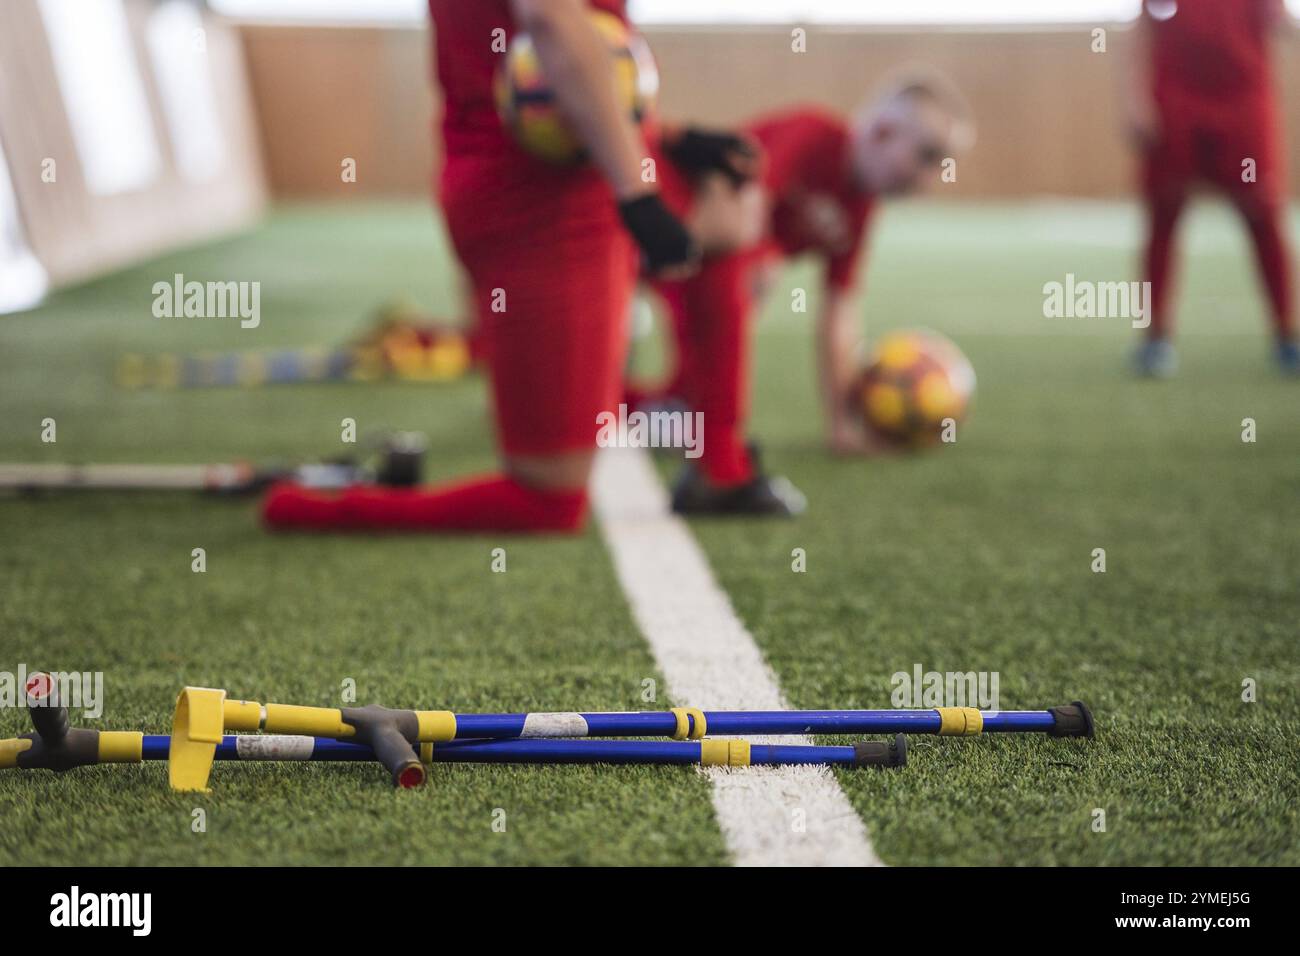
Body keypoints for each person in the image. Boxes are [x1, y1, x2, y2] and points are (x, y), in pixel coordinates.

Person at [263, 0, 702, 533]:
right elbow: (551, 22)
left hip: (536, 173)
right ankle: (314, 508)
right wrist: (637, 190)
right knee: (549, 496)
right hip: (546, 195)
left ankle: (717, 457)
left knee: (730, 206)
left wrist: (668, 138)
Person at [639, 77, 974, 515]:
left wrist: (841, 424)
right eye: (927, 157)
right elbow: (753, 196)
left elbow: (839, 310)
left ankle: (624, 409)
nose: (929, 178)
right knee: (690, 391)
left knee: (682, 400)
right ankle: (680, 439)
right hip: (671, 233)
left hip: (707, 272)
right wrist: (764, 256)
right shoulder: (813, 131)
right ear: (883, 131)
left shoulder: (860, 207)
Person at [1127, 0, 1298, 376]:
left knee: (1264, 215)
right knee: (1164, 215)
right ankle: (1155, 339)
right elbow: (1141, 24)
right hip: (1175, 99)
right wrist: (1134, 100)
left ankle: (1287, 335)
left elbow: (1283, 23)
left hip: (1245, 102)